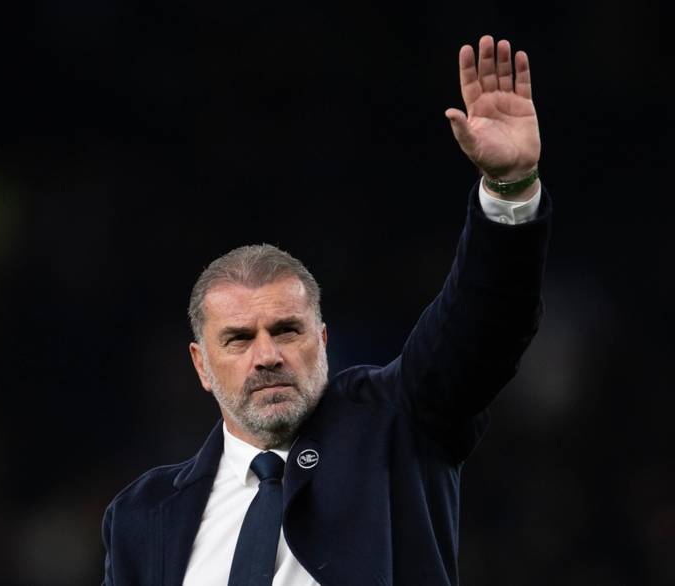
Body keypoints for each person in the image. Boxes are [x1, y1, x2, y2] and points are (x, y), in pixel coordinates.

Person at [101, 35, 551, 586]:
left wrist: (508, 190)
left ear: (322, 339)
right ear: (200, 364)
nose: (267, 355)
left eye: (287, 330)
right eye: (239, 338)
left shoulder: (396, 423)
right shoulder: (143, 516)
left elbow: (480, 328)